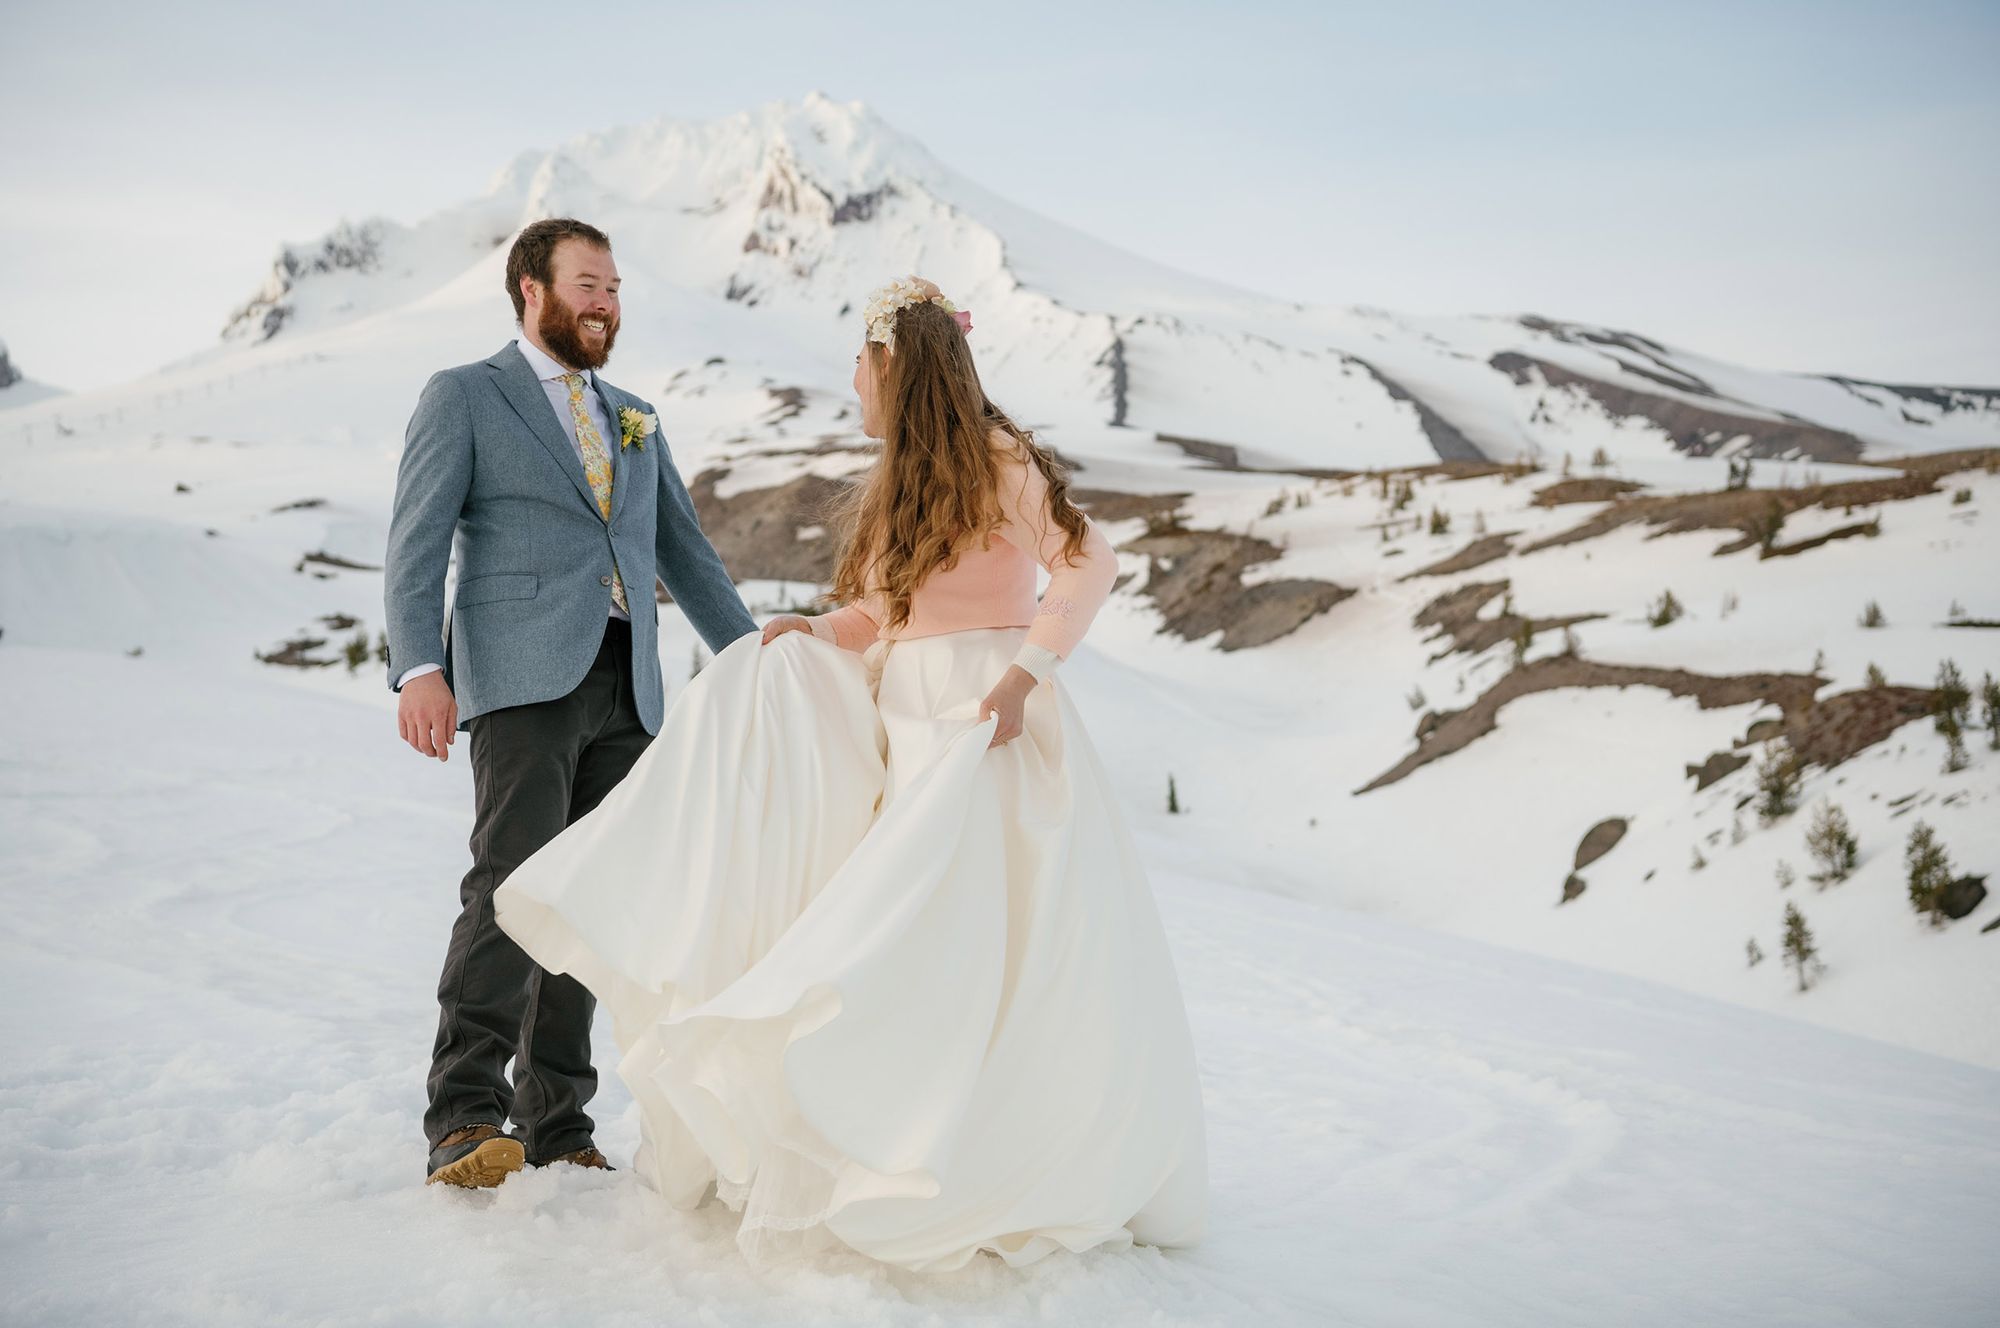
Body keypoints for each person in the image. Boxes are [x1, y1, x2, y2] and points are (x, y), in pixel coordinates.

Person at [492, 276, 1208, 1272]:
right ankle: (881, 1141)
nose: (852, 386)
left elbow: (1086, 563)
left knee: (974, 944)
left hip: (983, 726)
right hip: (903, 721)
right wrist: (812, 631)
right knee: (896, 949)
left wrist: (1020, 676)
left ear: (897, 369)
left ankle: (982, 1160)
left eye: (859, 367)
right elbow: (885, 615)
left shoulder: (1001, 460)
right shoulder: (896, 480)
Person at [382, 217, 757, 1189]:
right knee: (511, 883)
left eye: (616, 288)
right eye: (588, 284)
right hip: (522, 676)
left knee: (593, 904)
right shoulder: (465, 395)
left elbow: (686, 550)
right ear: (530, 289)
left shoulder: (634, 412)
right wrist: (418, 663)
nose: (606, 303)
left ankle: (556, 1119)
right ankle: (463, 1114)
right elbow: (417, 540)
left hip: (630, 686)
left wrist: (753, 658)